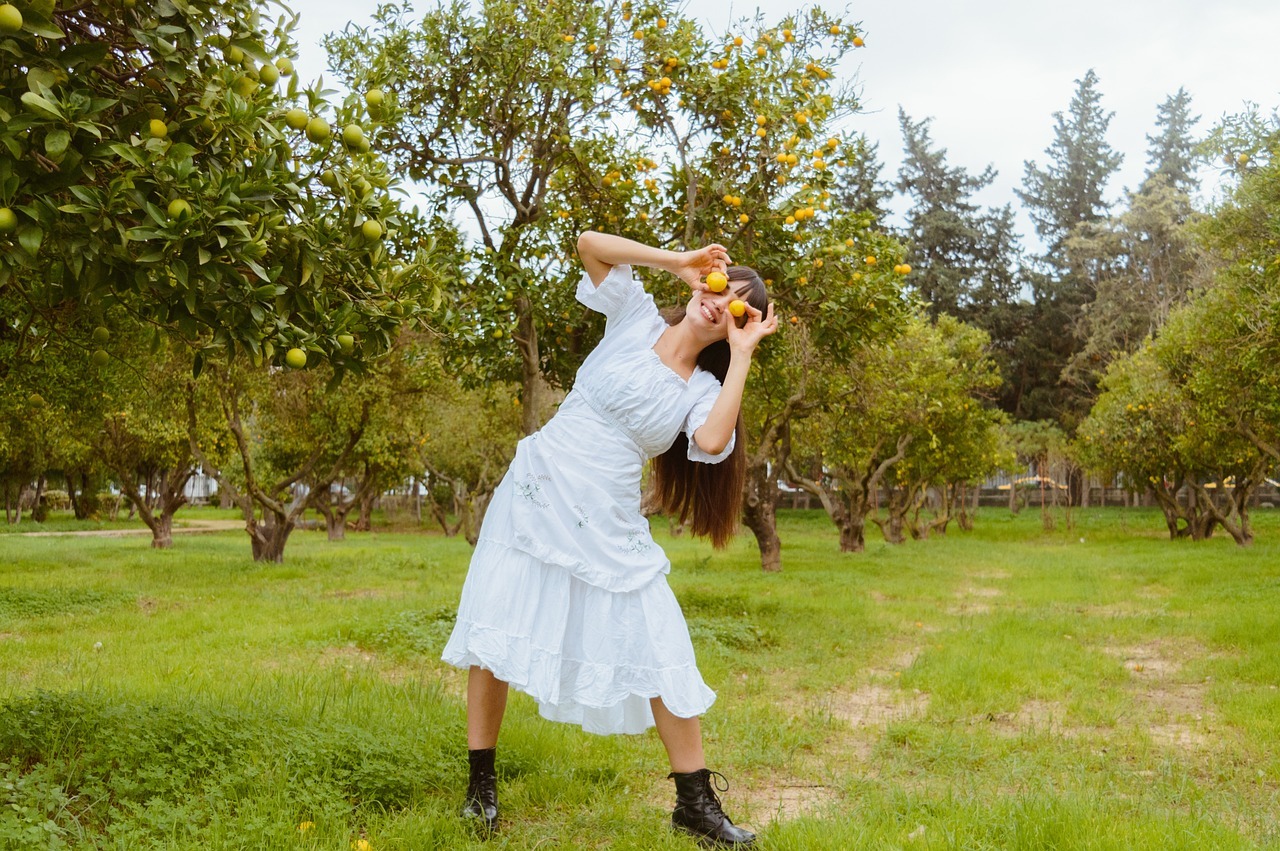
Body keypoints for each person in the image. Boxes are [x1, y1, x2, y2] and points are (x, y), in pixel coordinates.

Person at [441, 231, 778, 847]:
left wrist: (745, 353)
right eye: (725, 286)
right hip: (538, 490)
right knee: (497, 630)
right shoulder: (634, 315)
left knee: (660, 640)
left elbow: (709, 443)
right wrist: (677, 261)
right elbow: (588, 243)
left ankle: (694, 805)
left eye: (742, 306)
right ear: (706, 283)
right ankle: (480, 791)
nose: (724, 301)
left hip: (608, 518)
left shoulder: (703, 388)